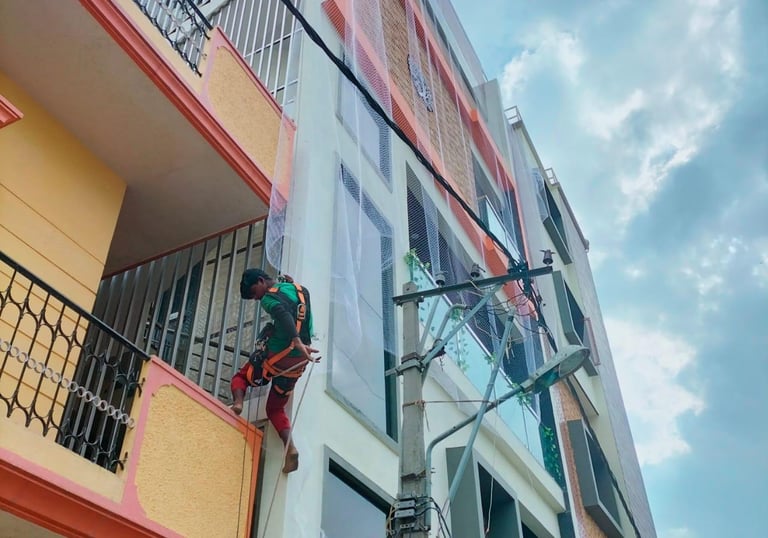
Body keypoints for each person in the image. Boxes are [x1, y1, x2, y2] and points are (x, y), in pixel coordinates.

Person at [230, 268, 320, 473]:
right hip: (297, 363)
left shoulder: (268, 299)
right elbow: (296, 311)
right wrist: (300, 344)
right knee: (274, 409)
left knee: (240, 378)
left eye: (254, 293)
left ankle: (238, 403)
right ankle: (291, 449)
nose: (256, 298)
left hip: (279, 355)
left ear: (261, 281)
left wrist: (295, 340)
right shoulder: (299, 289)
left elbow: (282, 313)